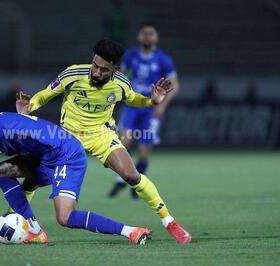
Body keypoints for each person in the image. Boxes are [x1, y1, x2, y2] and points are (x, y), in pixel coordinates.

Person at [15, 39, 191, 244]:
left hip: (101, 135)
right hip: (68, 138)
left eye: (103, 70)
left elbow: (132, 97)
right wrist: (31, 106)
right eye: (95, 66)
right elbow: (46, 93)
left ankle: (169, 221)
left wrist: (151, 101)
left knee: (132, 175)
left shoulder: (121, 83)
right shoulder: (73, 74)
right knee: (32, 178)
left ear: (115, 69)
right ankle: (17, 224)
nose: (96, 72)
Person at [0, 99, 153, 245]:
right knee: (2, 171)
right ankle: (35, 232)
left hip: (66, 155)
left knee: (65, 217)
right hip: (43, 159)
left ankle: (131, 231)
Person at [108, 22, 180, 199]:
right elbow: (120, 76)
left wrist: (162, 105)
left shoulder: (163, 59)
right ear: (139, 36)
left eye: (151, 34)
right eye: (144, 33)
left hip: (151, 109)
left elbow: (175, 85)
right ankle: (122, 179)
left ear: (156, 37)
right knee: (124, 142)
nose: (147, 36)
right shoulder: (131, 56)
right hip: (132, 106)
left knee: (144, 152)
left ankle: (135, 184)